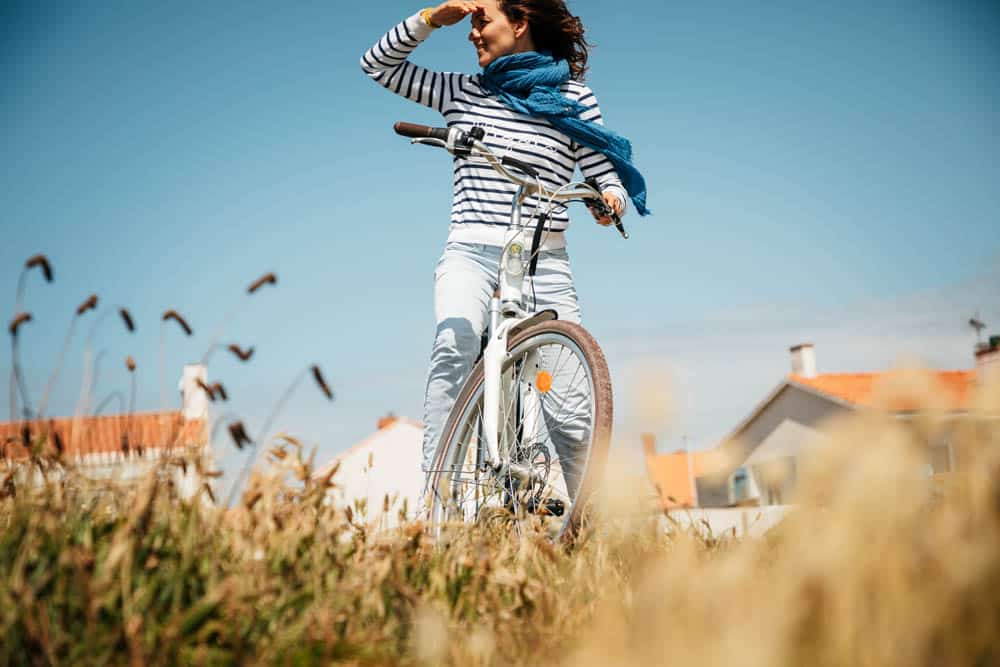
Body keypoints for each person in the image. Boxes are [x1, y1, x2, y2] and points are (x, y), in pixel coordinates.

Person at [360, 0, 649, 496]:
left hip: (544, 259)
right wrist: (431, 19)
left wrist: (611, 198)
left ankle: (586, 528)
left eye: (481, 21)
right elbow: (377, 66)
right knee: (455, 345)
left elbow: (602, 170)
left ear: (518, 24)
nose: (472, 33)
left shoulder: (573, 98)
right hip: (470, 251)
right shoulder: (462, 91)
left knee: (571, 408)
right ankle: (440, 500)